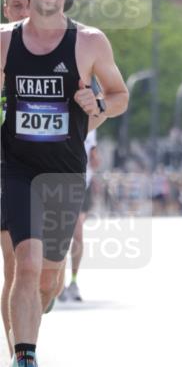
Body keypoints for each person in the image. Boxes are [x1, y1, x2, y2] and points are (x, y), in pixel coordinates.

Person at [0, 0, 128, 367]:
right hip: (15, 166)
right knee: (26, 265)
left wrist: (99, 106)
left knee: (49, 278)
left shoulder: (90, 42)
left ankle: (39, 309)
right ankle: (26, 364)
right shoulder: (5, 40)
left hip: (63, 169)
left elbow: (119, 96)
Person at [1, 0, 31, 362]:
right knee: (14, 265)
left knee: (42, 277)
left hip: (49, 169)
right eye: (13, 5)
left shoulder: (63, 47)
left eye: (26, 3)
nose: (20, 11)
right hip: (6, 169)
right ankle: (16, 360)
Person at [58, 127, 100, 302]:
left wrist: (95, 162)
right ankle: (58, 283)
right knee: (60, 237)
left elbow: (94, 156)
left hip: (82, 185)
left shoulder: (93, 122)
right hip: (58, 184)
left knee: (77, 236)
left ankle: (73, 281)